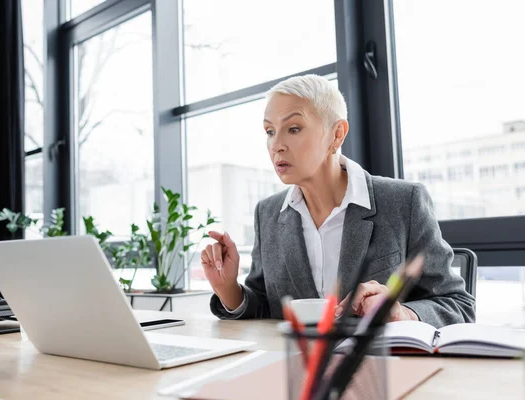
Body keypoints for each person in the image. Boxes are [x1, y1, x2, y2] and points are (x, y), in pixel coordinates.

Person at [200, 74, 475, 328]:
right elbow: (267, 308)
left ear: (337, 134)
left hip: (382, 371)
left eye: (293, 129)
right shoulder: (268, 213)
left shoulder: (404, 202)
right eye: (270, 131)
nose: (276, 145)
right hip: (293, 370)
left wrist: (402, 313)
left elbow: (458, 306)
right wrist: (229, 291)